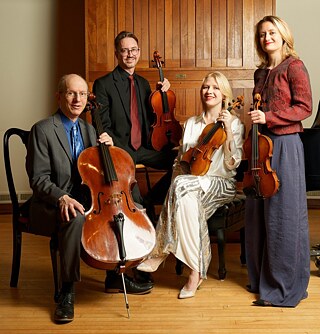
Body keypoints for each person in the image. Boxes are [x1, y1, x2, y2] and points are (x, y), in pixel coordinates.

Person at [26, 74, 153, 324]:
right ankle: (67, 291)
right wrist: (61, 197)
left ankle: (115, 276)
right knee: (74, 219)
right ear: (59, 96)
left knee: (118, 214)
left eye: (83, 94)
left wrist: (108, 146)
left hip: (88, 200)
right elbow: (38, 180)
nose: (78, 99)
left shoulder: (90, 129)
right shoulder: (42, 129)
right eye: (72, 93)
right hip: (51, 203)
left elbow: (99, 173)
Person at [137, 71, 245, 298]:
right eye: (206, 87)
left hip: (219, 183)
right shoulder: (191, 124)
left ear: (224, 94)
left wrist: (228, 134)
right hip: (191, 182)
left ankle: (159, 250)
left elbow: (231, 164)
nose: (209, 91)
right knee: (184, 196)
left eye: (215, 88)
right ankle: (196, 272)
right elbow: (182, 163)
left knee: (182, 186)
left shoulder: (234, 123)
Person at [93, 30, 178, 284]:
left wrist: (162, 94)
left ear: (138, 53)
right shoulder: (104, 84)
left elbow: (153, 120)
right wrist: (119, 151)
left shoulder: (142, 84)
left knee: (180, 163)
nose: (130, 54)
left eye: (134, 50)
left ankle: (151, 200)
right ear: (117, 53)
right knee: (132, 197)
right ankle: (132, 258)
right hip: (121, 148)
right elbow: (102, 125)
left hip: (143, 148)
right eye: (124, 50)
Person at [244, 16, 312, 307]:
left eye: (271, 32)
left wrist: (268, 117)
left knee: (283, 215)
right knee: (259, 213)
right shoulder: (261, 72)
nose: (266, 38)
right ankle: (262, 279)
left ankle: (284, 284)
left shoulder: (293, 66)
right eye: (261, 34)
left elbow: (304, 107)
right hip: (262, 147)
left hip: (285, 146)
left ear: (283, 35)